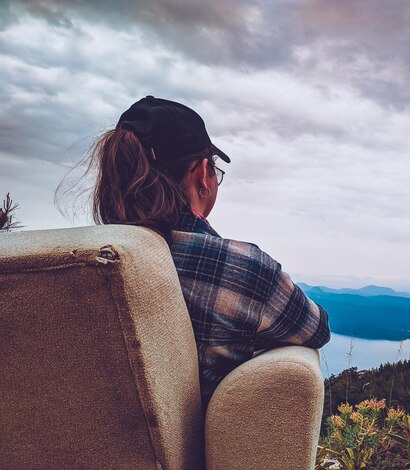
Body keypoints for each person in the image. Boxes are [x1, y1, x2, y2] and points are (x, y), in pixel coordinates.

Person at [86, 95, 331, 410]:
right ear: (203, 173)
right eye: (215, 171)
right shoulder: (241, 270)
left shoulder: (72, 264)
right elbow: (316, 329)